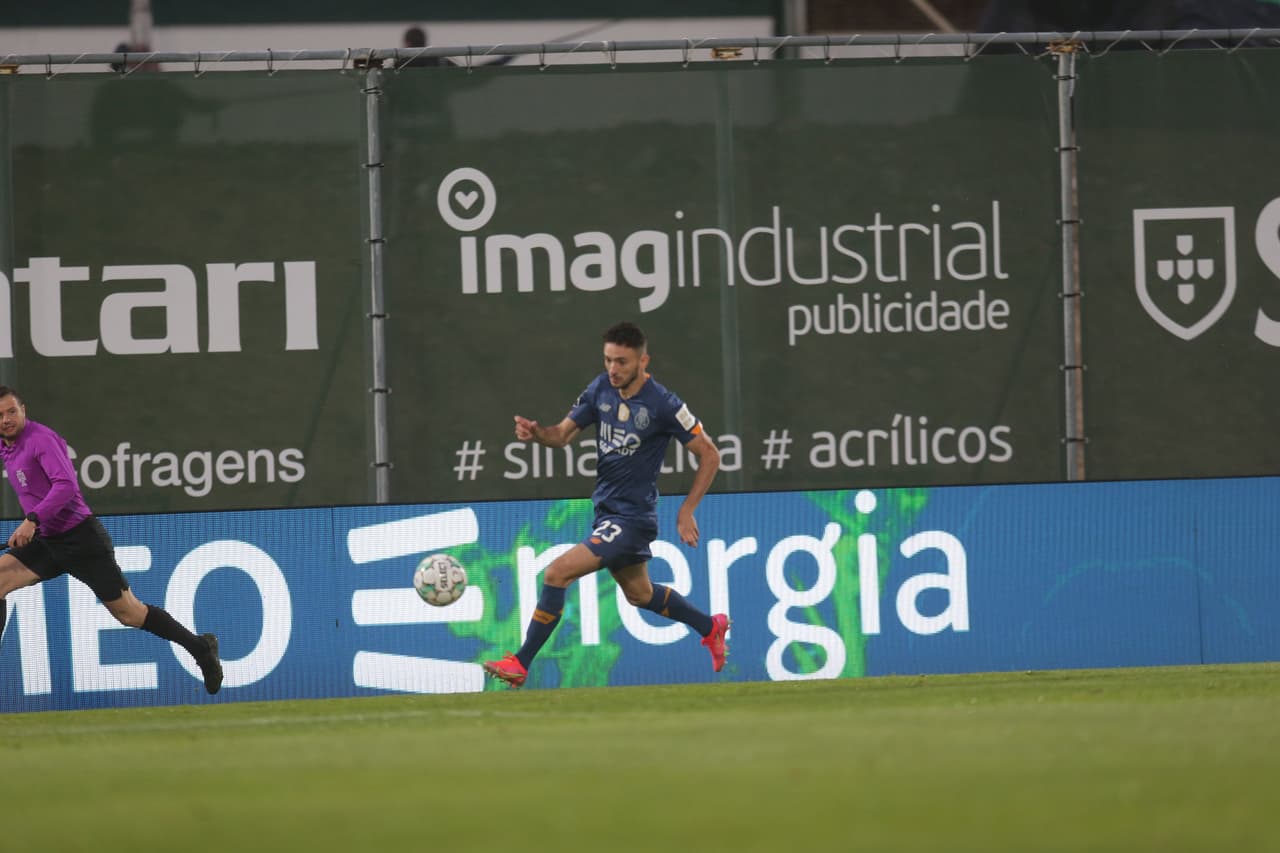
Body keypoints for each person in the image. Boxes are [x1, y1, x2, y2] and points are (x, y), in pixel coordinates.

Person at [483, 322, 728, 688]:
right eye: (608, 360)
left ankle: (520, 662)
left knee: (556, 573)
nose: (613, 369)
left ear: (643, 361)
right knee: (640, 594)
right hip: (607, 513)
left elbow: (710, 454)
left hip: (632, 518)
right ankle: (710, 627)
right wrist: (538, 434)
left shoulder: (664, 404)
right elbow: (562, 435)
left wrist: (687, 510)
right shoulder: (600, 389)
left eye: (622, 362)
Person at [0, 387, 223, 694]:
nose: (6, 419)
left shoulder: (41, 440)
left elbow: (65, 486)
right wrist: (36, 525)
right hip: (48, 540)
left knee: (130, 613)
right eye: (0, 415)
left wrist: (32, 520)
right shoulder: (6, 446)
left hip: (80, 539)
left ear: (24, 409)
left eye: (12, 411)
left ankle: (200, 648)